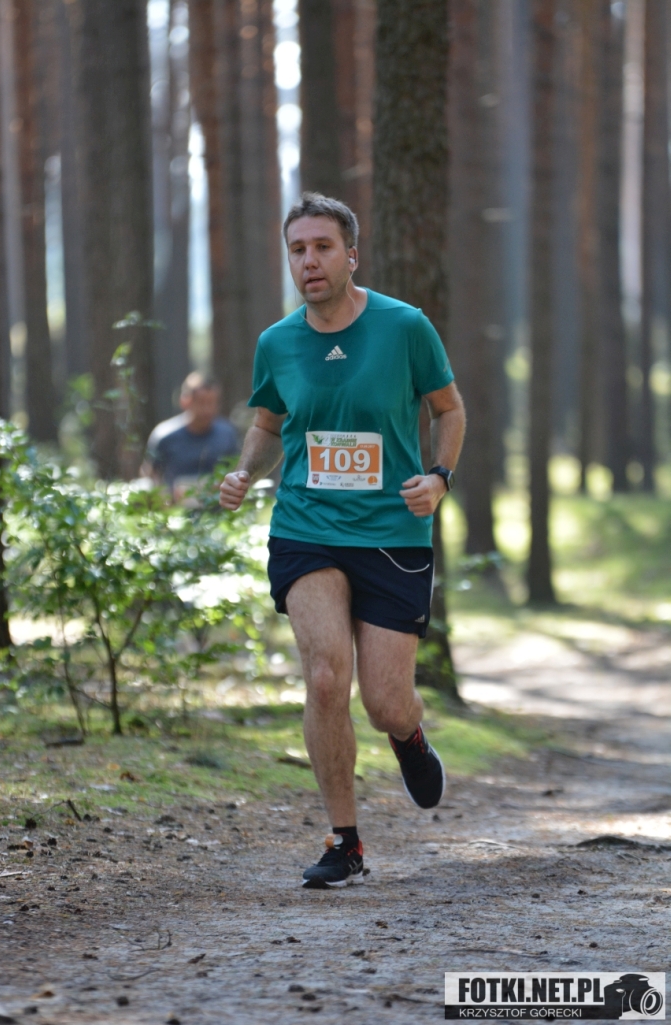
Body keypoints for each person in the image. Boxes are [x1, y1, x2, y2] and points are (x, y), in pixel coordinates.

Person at [219, 193, 466, 889]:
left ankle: (409, 734)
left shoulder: (404, 326)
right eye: (297, 249)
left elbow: (448, 409)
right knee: (326, 678)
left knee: (385, 701)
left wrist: (439, 477)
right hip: (307, 527)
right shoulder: (278, 341)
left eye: (322, 247)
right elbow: (267, 423)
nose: (309, 261)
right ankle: (344, 840)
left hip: (391, 531)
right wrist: (245, 469)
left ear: (350, 255)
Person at [145, 372, 239, 497]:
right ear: (185, 401)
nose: (207, 409)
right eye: (201, 402)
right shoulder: (164, 436)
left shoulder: (227, 434)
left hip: (218, 507)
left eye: (212, 403)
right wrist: (164, 496)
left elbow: (236, 469)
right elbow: (151, 473)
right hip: (175, 508)